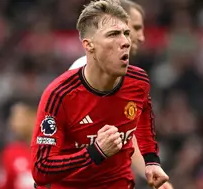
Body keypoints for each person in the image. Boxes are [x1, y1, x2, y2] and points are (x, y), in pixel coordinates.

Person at [31, 0, 169, 188]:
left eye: (126, 33)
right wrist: (95, 151)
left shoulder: (139, 81)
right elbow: (41, 170)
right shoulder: (60, 95)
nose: (126, 41)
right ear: (89, 45)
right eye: (114, 34)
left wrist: (151, 160)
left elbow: (144, 115)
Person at [70, 1, 173, 189]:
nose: (141, 37)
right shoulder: (84, 73)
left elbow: (123, 134)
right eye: (135, 28)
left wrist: (151, 168)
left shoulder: (126, 75)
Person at [0, 101, 38, 189]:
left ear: (33, 117)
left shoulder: (57, 151)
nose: (12, 124)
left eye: (17, 118)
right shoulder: (10, 153)